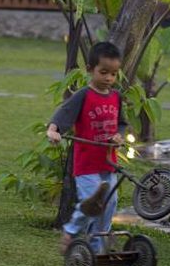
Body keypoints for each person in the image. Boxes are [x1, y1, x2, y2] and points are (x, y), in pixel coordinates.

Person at [46, 41, 127, 255]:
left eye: (113, 74)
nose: (109, 78)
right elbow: (64, 113)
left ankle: (96, 248)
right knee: (92, 201)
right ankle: (71, 231)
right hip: (87, 164)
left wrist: (119, 135)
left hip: (108, 163)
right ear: (90, 69)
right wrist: (53, 130)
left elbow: (121, 123)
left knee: (109, 204)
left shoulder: (116, 97)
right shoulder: (84, 95)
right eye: (104, 72)